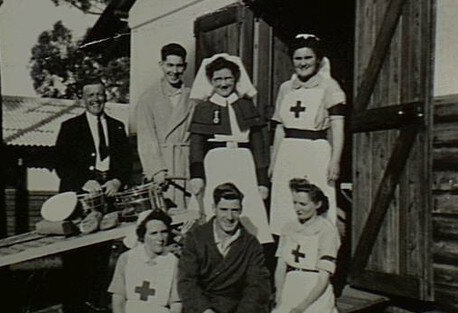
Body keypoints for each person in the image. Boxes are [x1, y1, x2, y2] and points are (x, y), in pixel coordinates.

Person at [54, 77, 131, 313]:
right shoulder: (70, 127)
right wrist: (83, 181)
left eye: (100, 94)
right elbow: (61, 164)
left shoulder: (118, 126)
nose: (96, 99)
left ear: (105, 95)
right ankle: (72, 309)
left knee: (101, 251)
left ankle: (96, 302)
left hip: (107, 196)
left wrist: (117, 181)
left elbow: (126, 163)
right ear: (83, 99)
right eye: (90, 95)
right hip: (79, 197)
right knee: (76, 252)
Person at [188, 53, 273, 245]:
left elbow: (259, 146)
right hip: (215, 164)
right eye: (218, 79)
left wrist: (262, 181)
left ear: (236, 79)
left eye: (228, 78)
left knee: (248, 211)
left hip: (244, 163)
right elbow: (196, 145)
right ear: (211, 81)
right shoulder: (204, 108)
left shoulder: (246, 105)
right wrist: (197, 175)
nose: (223, 83)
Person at [268, 34, 347, 236]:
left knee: (314, 202)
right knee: (286, 204)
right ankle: (288, 257)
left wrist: (335, 161)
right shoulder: (286, 88)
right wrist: (273, 161)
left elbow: (338, 126)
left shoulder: (329, 87)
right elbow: (279, 128)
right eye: (298, 58)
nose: (303, 63)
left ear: (318, 59)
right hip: (288, 153)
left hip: (315, 152)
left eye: (308, 58)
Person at [178, 183, 271, 313]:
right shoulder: (196, 237)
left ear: (241, 210)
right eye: (224, 210)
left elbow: (258, 284)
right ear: (214, 208)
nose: (229, 217)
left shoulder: (250, 243)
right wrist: (204, 310)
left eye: (234, 210)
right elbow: (187, 282)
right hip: (204, 306)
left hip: (237, 307)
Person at [262, 178, 341, 313]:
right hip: (291, 286)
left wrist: (300, 308)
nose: (297, 208)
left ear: (317, 205)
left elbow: (323, 277)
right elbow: (281, 265)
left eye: (303, 204)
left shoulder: (327, 231)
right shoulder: (289, 228)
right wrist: (280, 296)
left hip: (314, 291)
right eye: (295, 203)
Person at [94, 209, 190, 313]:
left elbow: (176, 308)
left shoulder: (173, 262)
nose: (160, 238)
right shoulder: (126, 259)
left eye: (164, 232)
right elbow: (118, 301)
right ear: (142, 235)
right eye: (153, 233)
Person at [136, 43, 194, 209]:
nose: (174, 71)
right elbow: (146, 138)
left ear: (185, 67)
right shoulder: (148, 98)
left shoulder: (193, 97)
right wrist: (156, 170)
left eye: (179, 66)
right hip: (163, 167)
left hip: (186, 165)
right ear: (161, 65)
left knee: (191, 215)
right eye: (169, 65)